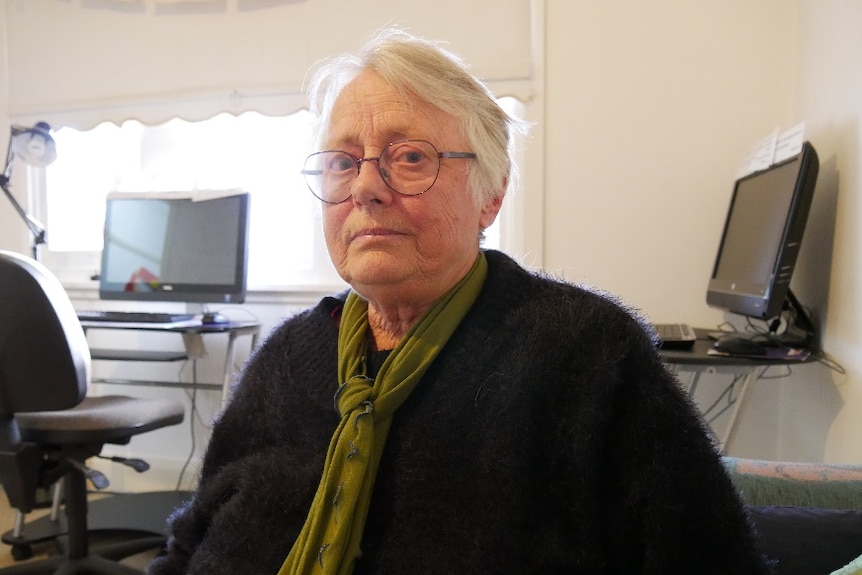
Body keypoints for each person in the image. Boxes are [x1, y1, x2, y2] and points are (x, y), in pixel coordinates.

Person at [148, 28, 771, 575]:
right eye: (342, 161)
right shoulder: (286, 358)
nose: (366, 186)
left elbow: (707, 556)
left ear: (491, 196)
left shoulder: (584, 354)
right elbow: (192, 540)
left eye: (410, 157)